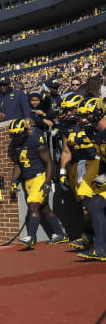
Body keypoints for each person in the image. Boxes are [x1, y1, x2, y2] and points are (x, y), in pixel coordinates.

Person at [8, 119, 68, 249]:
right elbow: (18, 164)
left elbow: (49, 162)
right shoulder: (15, 144)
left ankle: (30, 237)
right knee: (44, 208)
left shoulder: (36, 140)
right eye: (13, 134)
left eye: (18, 134)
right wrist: (14, 180)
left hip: (39, 177)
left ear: (24, 131)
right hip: (27, 180)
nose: (16, 137)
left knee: (33, 206)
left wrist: (47, 181)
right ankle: (59, 234)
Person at [57, 93, 98, 250]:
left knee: (87, 198)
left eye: (71, 110)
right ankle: (90, 238)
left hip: (93, 162)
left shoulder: (91, 122)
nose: (68, 114)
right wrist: (62, 172)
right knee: (83, 203)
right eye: (66, 110)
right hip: (76, 166)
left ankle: (91, 237)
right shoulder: (67, 128)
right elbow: (66, 151)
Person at [76, 97, 106, 261]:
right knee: (94, 203)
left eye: (86, 115)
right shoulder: (95, 133)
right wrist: (100, 177)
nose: (83, 120)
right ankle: (101, 247)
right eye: (81, 116)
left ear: (99, 112)